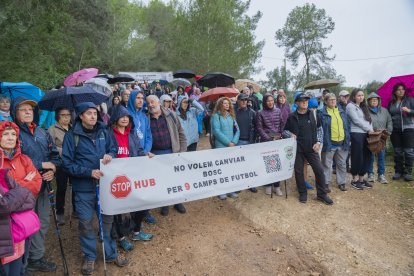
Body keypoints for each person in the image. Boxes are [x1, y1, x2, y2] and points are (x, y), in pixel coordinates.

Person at [62, 102, 129, 275]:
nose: (93, 116)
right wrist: (88, 172)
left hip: (105, 186)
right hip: (83, 188)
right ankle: (89, 256)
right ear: (81, 116)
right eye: (89, 113)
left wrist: (110, 155)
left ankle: (111, 253)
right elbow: (67, 164)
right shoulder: (72, 136)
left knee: (107, 222)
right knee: (85, 223)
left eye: (95, 113)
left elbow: (113, 148)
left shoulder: (104, 131)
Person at [11, 97, 61, 273]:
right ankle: (20, 263)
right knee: (22, 225)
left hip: (44, 184)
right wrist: (42, 164)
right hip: (23, 188)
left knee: (42, 222)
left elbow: (55, 156)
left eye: (30, 110)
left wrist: (52, 169)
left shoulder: (42, 132)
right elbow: (13, 157)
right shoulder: (12, 133)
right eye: (23, 109)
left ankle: (36, 257)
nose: (27, 112)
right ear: (14, 113)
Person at [108, 105, 154, 252]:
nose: (125, 119)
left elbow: (139, 150)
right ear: (115, 118)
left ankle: (136, 232)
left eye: (127, 117)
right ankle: (120, 237)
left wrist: (146, 154)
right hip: (116, 178)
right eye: (122, 116)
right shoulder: (109, 134)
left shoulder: (131, 134)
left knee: (140, 203)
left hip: (132, 175)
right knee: (118, 209)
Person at [284, 93, 333, 205]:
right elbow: (284, 131)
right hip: (297, 149)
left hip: (312, 148)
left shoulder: (314, 114)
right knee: (299, 171)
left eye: (306, 100)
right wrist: (290, 134)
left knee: (319, 170)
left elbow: (320, 129)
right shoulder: (291, 116)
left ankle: (322, 194)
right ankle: (302, 193)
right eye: (302, 100)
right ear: (297, 103)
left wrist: (319, 143)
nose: (305, 102)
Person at [146, 95, 187, 216]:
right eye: (148, 103)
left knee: (176, 178)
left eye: (153, 102)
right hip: (156, 154)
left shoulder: (171, 115)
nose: (151, 105)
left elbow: (181, 133)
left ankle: (178, 201)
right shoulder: (146, 118)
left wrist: (182, 152)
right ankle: (165, 204)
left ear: (159, 102)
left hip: (172, 151)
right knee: (162, 180)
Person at [127, 90, 157, 224]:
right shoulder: (126, 115)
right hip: (132, 156)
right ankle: (134, 213)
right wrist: (138, 152)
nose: (140, 100)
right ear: (132, 99)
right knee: (133, 186)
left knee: (145, 184)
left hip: (144, 155)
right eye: (137, 98)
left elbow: (149, 135)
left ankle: (145, 212)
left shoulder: (145, 117)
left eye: (142, 98)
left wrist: (146, 150)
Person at [48, 108, 74, 226]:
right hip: (61, 164)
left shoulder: (74, 128)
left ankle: (77, 210)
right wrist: (66, 151)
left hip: (74, 163)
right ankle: (60, 212)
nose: (66, 117)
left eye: (68, 115)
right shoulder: (52, 129)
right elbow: (51, 147)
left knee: (75, 187)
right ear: (58, 116)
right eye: (63, 115)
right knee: (62, 188)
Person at [211, 97, 240, 200]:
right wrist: (228, 143)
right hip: (221, 147)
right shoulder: (216, 117)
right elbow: (216, 131)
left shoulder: (231, 117)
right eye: (224, 103)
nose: (227, 105)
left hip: (231, 146)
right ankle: (221, 191)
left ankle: (231, 189)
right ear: (220, 105)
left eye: (228, 103)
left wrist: (234, 142)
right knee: (221, 170)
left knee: (230, 169)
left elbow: (237, 130)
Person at [320, 93, 350, 192]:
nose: (333, 101)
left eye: (334, 99)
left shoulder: (341, 111)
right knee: (327, 164)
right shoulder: (322, 113)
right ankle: (326, 183)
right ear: (326, 102)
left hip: (342, 143)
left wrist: (348, 139)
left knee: (342, 164)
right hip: (329, 143)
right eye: (330, 100)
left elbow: (347, 126)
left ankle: (341, 183)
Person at [256, 94, 284, 195]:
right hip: (266, 140)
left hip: (277, 139)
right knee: (267, 163)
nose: (270, 102)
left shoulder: (278, 111)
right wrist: (268, 138)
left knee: (277, 163)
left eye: (272, 100)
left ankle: (277, 186)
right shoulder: (260, 113)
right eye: (268, 101)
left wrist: (280, 136)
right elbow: (259, 128)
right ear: (264, 102)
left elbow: (281, 124)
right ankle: (268, 184)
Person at [346, 89, 374, 190]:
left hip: (367, 134)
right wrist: (368, 129)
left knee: (367, 156)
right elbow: (356, 121)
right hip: (356, 133)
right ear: (354, 96)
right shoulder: (350, 106)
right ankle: (354, 179)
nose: (361, 97)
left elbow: (369, 120)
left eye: (362, 95)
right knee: (357, 156)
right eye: (358, 95)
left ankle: (361, 179)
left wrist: (371, 130)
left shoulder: (364, 106)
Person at [388, 83, 414, 181]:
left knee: (409, 151)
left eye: (403, 89)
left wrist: (409, 111)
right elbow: (389, 116)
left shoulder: (410, 100)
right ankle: (398, 171)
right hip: (395, 130)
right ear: (395, 91)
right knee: (398, 152)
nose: (401, 91)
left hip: (408, 129)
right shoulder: (391, 103)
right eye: (398, 89)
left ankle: (408, 172)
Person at [366, 92, 393, 184]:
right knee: (370, 156)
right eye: (372, 100)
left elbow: (389, 121)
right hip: (371, 136)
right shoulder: (365, 111)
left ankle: (381, 175)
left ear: (379, 101)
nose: (374, 101)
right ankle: (370, 174)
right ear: (369, 101)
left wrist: (388, 131)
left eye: (376, 100)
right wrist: (369, 131)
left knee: (381, 156)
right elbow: (364, 122)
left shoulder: (385, 111)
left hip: (382, 136)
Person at [234, 93, 257, 193]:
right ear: (238, 101)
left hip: (249, 141)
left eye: (246, 100)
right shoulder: (234, 112)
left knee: (250, 163)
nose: (244, 102)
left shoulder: (252, 112)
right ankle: (239, 184)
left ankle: (251, 184)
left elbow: (257, 126)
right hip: (238, 141)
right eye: (242, 100)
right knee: (238, 164)